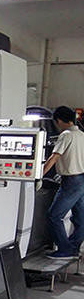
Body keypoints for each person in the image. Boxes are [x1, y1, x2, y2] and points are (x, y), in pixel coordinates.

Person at [43, 106, 84, 259]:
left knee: (54, 215)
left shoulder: (66, 135)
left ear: (59, 120)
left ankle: (65, 249)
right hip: (81, 179)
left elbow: (54, 157)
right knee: (80, 218)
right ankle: (73, 247)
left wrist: (38, 175)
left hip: (71, 181)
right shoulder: (81, 135)